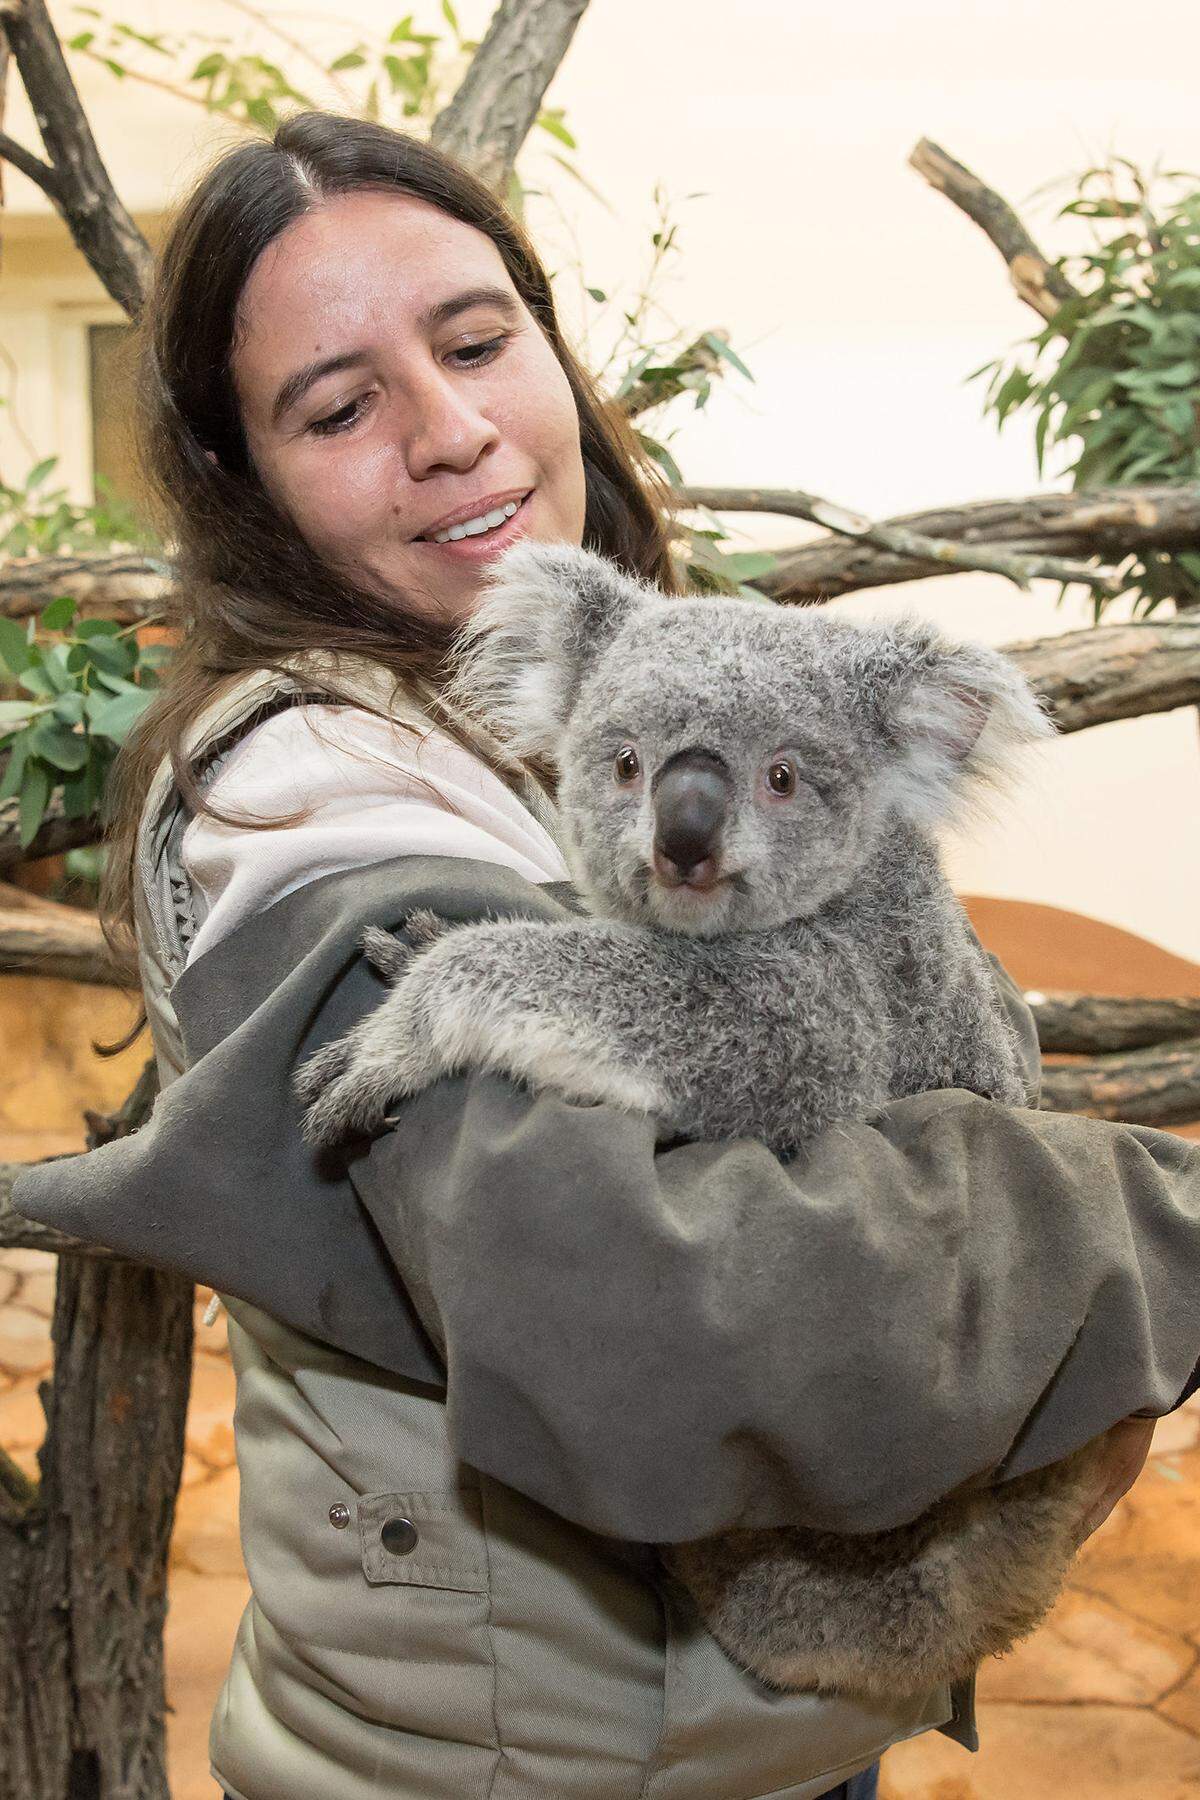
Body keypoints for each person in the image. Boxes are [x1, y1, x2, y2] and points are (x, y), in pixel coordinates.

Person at [12, 111, 1199, 1800]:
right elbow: (676, 1311)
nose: (453, 431)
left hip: (734, 1730)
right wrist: (1147, 1233)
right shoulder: (300, 798)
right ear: (239, 475)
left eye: (482, 342)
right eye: (339, 407)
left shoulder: (595, 671)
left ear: (553, 346)